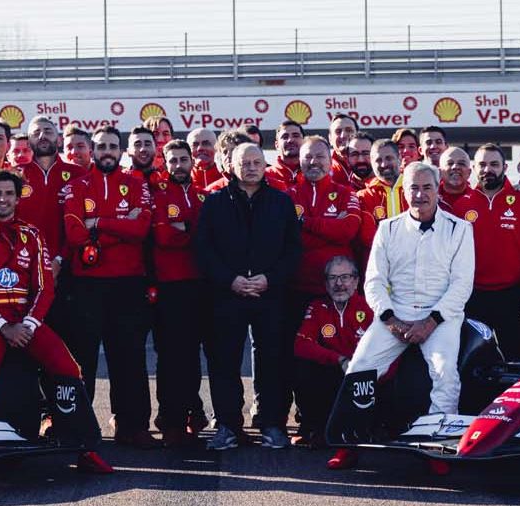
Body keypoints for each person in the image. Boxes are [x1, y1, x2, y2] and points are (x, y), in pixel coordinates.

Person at [0, 169, 111, 477]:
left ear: (17, 197)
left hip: (26, 319)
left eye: (8, 193)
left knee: (69, 368)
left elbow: (44, 288)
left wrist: (28, 324)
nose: (2, 199)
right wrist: (3, 326)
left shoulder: (32, 234)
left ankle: (84, 448)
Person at [328, 162, 476, 473]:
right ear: (404, 190)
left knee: (445, 373)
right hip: (395, 314)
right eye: (413, 188)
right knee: (359, 368)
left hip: (441, 317)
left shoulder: (460, 229)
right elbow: (374, 281)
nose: (420, 194)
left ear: (437, 190)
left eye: (426, 187)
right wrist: (392, 320)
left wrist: (430, 322)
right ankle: (348, 443)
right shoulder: (388, 228)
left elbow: (462, 284)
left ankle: (440, 447)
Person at [193, 142, 302, 451]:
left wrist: (270, 279)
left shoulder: (282, 202)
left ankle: (272, 424)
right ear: (232, 166)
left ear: (265, 166)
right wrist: (231, 280)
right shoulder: (214, 202)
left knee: (273, 361)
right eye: (246, 162)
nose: (252, 167)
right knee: (224, 362)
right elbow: (204, 250)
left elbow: (293, 250)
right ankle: (228, 425)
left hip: (270, 294)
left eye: (257, 162)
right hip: (228, 294)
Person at [58, 126, 155, 446]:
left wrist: (98, 223)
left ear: (122, 151)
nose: (107, 152)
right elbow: (74, 235)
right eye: (102, 147)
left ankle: (133, 427)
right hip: (86, 285)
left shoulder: (136, 184)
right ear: (92, 151)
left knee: (128, 357)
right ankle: (80, 427)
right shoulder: (76, 186)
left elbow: (141, 230)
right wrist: (120, 227)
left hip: (128, 283)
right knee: (82, 359)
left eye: (113, 146)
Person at [442, 144, 520, 360]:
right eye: (482, 164)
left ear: (505, 167)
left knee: (516, 358)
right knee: (475, 359)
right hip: (473, 296)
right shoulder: (463, 205)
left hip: (513, 295)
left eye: (494, 164)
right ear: (474, 168)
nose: (487, 169)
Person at [150, 138, 211, 447]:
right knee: (172, 358)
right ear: (165, 164)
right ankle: (171, 421)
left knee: (192, 358)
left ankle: (191, 414)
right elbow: (163, 235)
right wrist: (193, 231)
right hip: (170, 286)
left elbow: (210, 237)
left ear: (192, 162)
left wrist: (186, 229)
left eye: (182, 159)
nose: (178, 165)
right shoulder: (159, 196)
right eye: (171, 160)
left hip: (201, 286)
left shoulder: (204, 195)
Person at [293, 255, 371, 448]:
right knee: (303, 366)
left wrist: (359, 366)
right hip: (335, 370)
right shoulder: (318, 307)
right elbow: (301, 344)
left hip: (365, 375)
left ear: (356, 281)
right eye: (332, 278)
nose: (339, 284)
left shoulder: (370, 307)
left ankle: (375, 427)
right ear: (326, 283)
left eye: (345, 277)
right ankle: (316, 428)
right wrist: (338, 359)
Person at [287, 138, 367, 316]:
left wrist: (304, 222)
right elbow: (289, 239)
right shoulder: (287, 196)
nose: (314, 161)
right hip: (298, 289)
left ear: (330, 161)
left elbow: (348, 231)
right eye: (308, 157)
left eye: (320, 156)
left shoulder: (346, 193)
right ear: (300, 161)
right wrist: (332, 229)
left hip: (339, 289)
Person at [15, 116, 85, 262]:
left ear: (59, 140)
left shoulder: (79, 174)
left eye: (48, 131)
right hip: (26, 263)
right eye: (36, 133)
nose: (42, 136)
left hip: (70, 263)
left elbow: (83, 221)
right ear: (28, 142)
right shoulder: (14, 175)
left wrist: (60, 259)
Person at [357, 138, 402, 220]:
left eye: (389, 158)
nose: (384, 164)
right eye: (378, 160)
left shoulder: (415, 189)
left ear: (399, 158)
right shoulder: (363, 197)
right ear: (371, 162)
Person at [265, 120, 307, 190]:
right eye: (285, 137)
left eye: (296, 136)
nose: (290, 140)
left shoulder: (315, 173)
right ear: (277, 145)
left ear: (304, 142)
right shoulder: (265, 176)